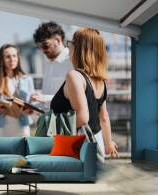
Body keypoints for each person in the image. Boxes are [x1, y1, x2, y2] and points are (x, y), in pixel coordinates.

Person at [51, 28, 119, 158]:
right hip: (95, 141)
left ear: (79, 49)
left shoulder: (74, 76)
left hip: (75, 145)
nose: (68, 48)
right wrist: (108, 142)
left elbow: (83, 117)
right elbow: (104, 117)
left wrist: (55, 130)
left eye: (70, 43)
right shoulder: (101, 81)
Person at [0, 44, 36, 137]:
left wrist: (30, 110)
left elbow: (32, 104)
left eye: (14, 56)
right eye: (7, 57)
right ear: (1, 60)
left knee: (23, 151)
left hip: (22, 129)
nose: (12, 59)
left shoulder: (27, 79)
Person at [31, 22, 73, 105]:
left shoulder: (72, 61)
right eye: (39, 47)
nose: (42, 51)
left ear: (58, 40)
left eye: (45, 46)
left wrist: (45, 98)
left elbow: (76, 96)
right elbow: (45, 97)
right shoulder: (48, 63)